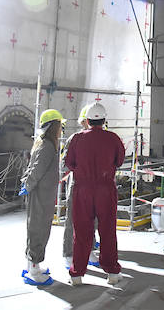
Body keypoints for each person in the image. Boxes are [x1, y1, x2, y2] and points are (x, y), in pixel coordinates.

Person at [64, 103, 125, 286]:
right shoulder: (113, 138)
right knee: (107, 230)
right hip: (105, 189)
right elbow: (120, 160)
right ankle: (112, 273)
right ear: (104, 120)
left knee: (82, 232)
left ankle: (77, 274)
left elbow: (69, 163)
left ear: (87, 120)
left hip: (82, 189)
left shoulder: (76, 139)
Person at [19, 109, 64, 286]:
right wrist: (28, 185)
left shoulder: (45, 144)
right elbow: (36, 170)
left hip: (42, 193)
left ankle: (32, 263)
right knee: (39, 228)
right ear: (53, 126)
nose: (62, 129)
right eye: (60, 125)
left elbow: (34, 168)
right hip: (41, 195)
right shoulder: (47, 146)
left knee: (37, 227)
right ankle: (34, 269)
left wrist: (27, 185)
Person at [61, 104, 99, 269]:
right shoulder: (74, 139)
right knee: (73, 220)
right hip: (77, 185)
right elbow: (64, 164)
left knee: (92, 220)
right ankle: (69, 254)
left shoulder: (102, 139)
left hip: (95, 186)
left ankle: (89, 250)